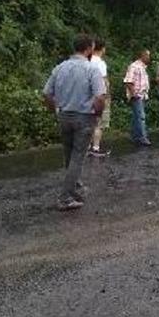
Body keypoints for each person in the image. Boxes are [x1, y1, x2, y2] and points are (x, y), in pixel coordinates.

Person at [43, 35, 106, 211]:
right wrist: (97, 114)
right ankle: (65, 197)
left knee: (69, 155)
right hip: (83, 117)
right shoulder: (91, 69)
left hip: (64, 115)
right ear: (89, 49)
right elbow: (100, 97)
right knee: (78, 157)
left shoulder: (60, 68)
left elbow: (47, 93)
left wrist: (54, 109)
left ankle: (74, 187)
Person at [124, 49, 152, 146]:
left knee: (136, 116)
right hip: (137, 95)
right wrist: (134, 94)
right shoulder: (134, 66)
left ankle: (135, 136)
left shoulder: (143, 67)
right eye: (148, 55)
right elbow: (128, 81)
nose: (149, 58)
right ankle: (142, 137)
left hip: (142, 95)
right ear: (143, 55)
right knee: (141, 116)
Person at [89, 39, 110, 157]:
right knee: (99, 123)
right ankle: (96, 148)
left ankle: (85, 147)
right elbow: (103, 80)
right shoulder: (100, 63)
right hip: (99, 96)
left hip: (87, 96)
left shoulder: (87, 60)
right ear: (102, 48)